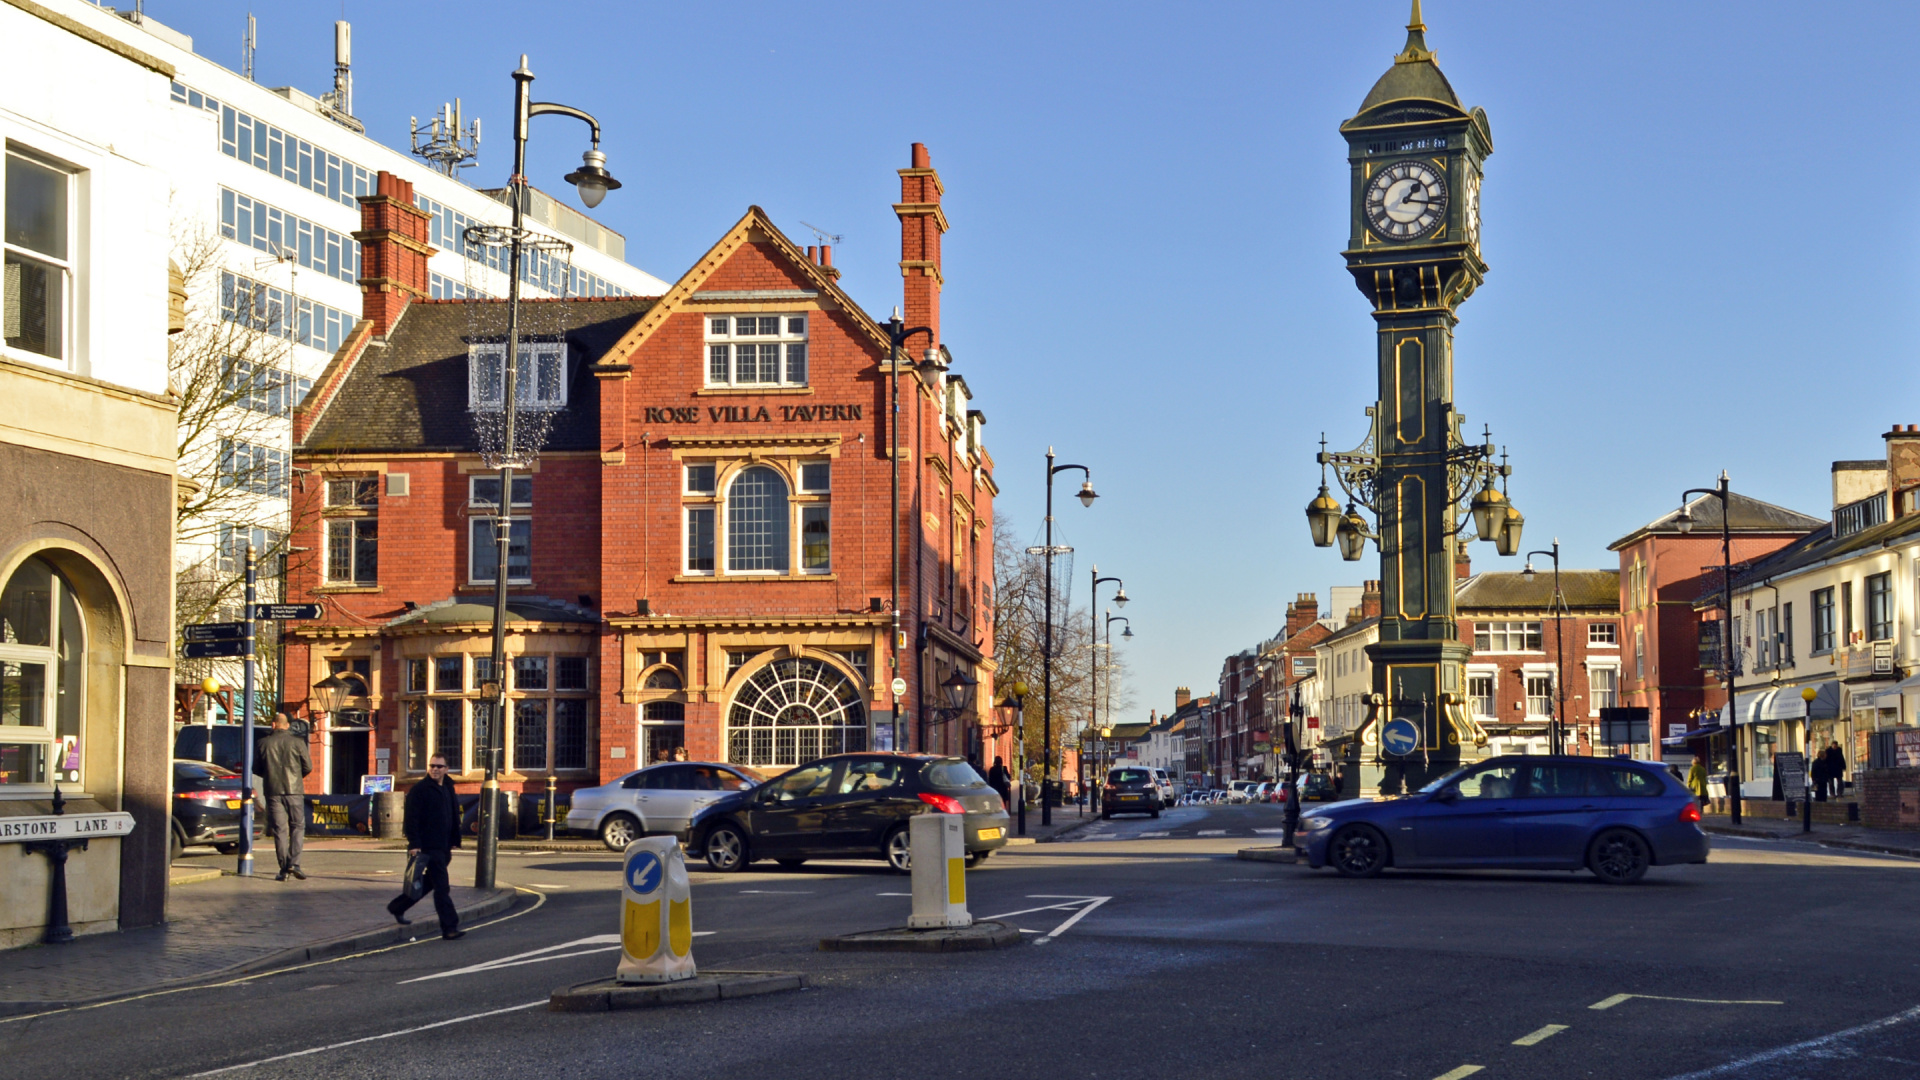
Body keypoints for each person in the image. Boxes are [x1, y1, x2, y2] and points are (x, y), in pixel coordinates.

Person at [388, 754, 465, 940]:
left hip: (444, 847)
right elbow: (411, 819)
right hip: (428, 847)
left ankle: (397, 907)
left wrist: (455, 839)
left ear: (446, 769)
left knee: (429, 882)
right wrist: (414, 844)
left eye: (439, 766)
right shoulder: (420, 790)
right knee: (442, 888)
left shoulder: (448, 787)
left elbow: (453, 815)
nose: (435, 769)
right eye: (432, 766)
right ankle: (449, 927)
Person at [255, 712, 312, 881]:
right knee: (298, 825)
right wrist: (296, 776)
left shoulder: (262, 743)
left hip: (273, 790)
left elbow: (255, 767)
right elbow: (308, 766)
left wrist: (269, 775)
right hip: (294, 790)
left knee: (279, 829)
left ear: (273, 725)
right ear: (287, 726)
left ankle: (284, 869)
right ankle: (295, 863)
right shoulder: (298, 742)